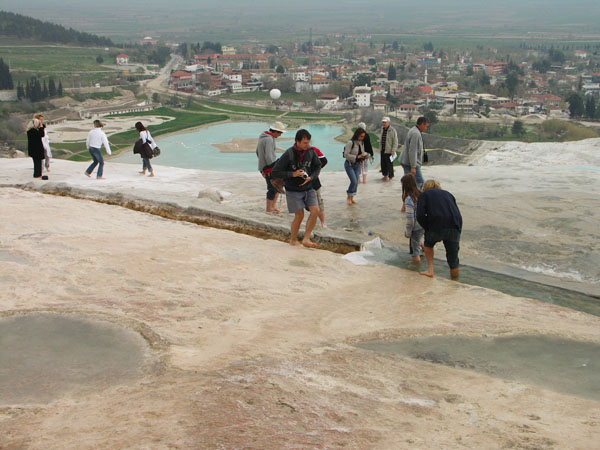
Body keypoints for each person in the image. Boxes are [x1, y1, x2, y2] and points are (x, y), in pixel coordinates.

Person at [271, 129, 321, 248]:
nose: (307, 145)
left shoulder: (311, 152)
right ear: (297, 142)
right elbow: (275, 172)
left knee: (315, 211)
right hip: (293, 189)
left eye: (308, 142)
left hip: (308, 187)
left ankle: (306, 238)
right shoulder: (289, 154)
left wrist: (312, 177)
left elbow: (318, 165)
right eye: (304, 143)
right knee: (299, 215)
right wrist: (292, 174)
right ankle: (293, 240)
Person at [416, 179, 462, 279]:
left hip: (436, 226)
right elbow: (457, 213)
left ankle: (430, 271)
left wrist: (427, 227)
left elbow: (419, 215)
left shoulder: (424, 195)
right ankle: (454, 281)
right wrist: (458, 230)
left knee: (428, 245)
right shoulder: (449, 194)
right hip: (454, 226)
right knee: (453, 259)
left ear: (425, 188)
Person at [256, 121, 286, 213]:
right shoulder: (269, 139)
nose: (280, 135)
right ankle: (269, 210)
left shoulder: (263, 137)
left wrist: (262, 164)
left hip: (264, 166)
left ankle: (273, 206)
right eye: (280, 132)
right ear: (275, 131)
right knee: (272, 189)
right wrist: (273, 167)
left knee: (276, 187)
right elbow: (269, 156)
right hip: (269, 168)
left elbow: (257, 151)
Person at [400, 116, 430, 190]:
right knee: (420, 182)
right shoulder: (415, 133)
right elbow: (412, 151)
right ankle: (416, 198)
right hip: (411, 163)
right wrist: (413, 166)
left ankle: (409, 196)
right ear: (422, 124)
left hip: (406, 161)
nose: (426, 128)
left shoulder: (413, 130)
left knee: (408, 181)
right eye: (426, 126)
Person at [401, 174, 424, 263]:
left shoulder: (409, 199)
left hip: (416, 227)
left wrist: (408, 232)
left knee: (415, 253)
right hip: (423, 225)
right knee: (418, 241)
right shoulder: (420, 194)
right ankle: (426, 252)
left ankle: (415, 271)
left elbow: (410, 220)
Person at [343, 127, 369, 205]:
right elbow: (346, 154)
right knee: (354, 181)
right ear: (357, 135)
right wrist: (357, 157)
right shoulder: (350, 142)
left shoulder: (362, 143)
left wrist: (365, 156)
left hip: (358, 165)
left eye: (363, 136)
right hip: (349, 164)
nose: (362, 138)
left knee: (356, 182)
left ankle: (352, 197)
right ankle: (349, 195)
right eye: (361, 136)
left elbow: (362, 152)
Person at [312, 146, 328, 228]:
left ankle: (322, 222)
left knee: (318, 202)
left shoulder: (313, 149)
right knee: (318, 202)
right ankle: (322, 223)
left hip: (313, 182)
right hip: (311, 181)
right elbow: (324, 161)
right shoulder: (313, 149)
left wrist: (316, 170)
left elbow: (324, 160)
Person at [380, 117, 398, 182]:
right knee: (383, 164)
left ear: (388, 122)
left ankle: (390, 177)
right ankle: (385, 176)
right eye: (383, 122)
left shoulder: (392, 130)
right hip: (383, 149)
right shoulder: (382, 129)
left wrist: (393, 150)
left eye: (385, 122)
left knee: (389, 164)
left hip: (389, 150)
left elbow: (395, 141)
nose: (383, 123)